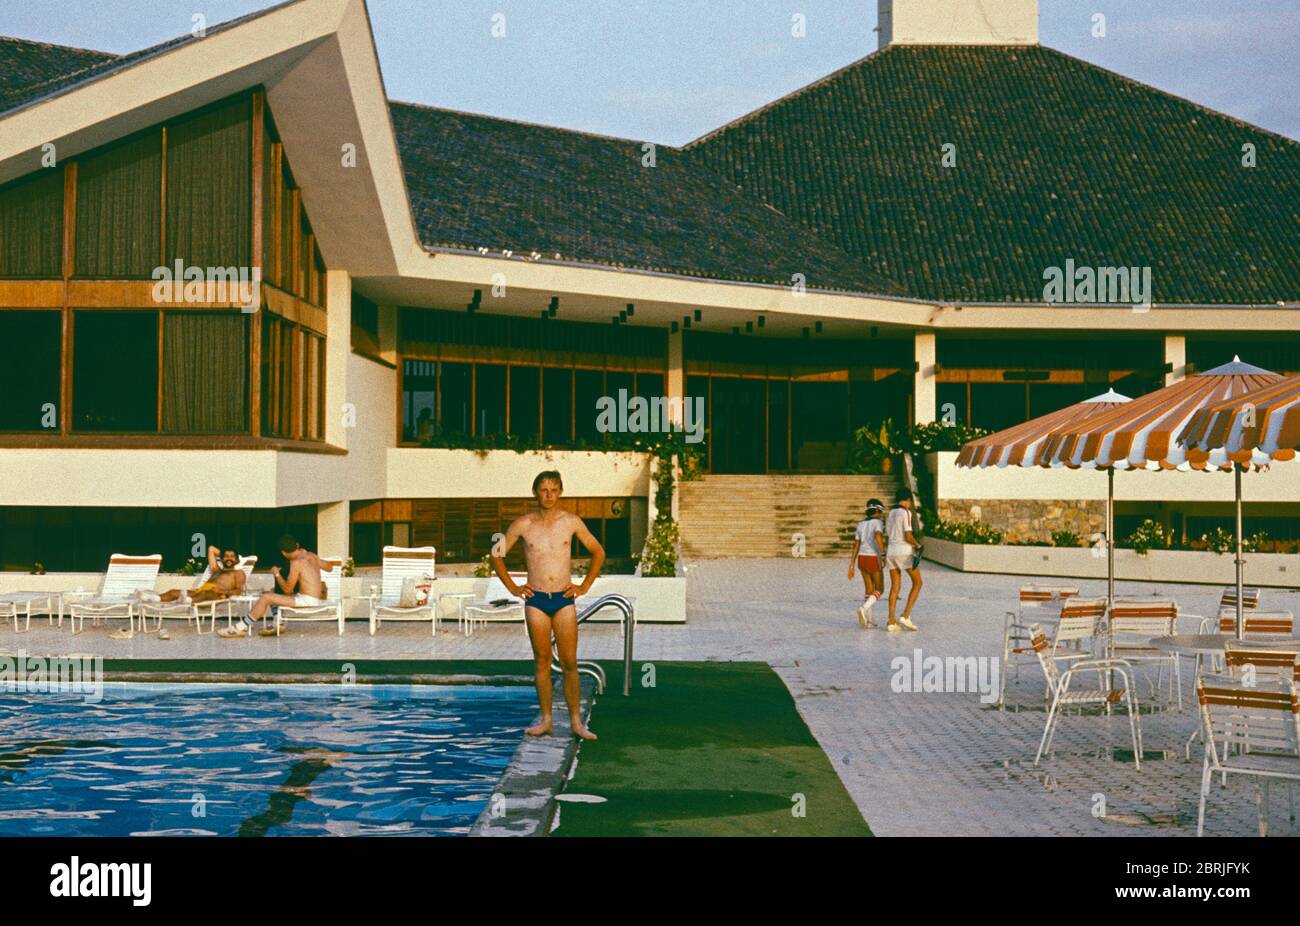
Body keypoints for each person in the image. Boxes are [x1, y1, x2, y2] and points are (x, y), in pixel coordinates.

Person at [492, 470, 605, 741]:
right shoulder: (523, 524)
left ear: (561, 492)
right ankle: (546, 721)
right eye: (543, 490)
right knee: (542, 661)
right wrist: (513, 587)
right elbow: (496, 555)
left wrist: (584, 586)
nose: (549, 495)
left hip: (564, 599)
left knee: (569, 662)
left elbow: (598, 552)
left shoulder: (571, 522)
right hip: (537, 600)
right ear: (535, 492)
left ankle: (576, 723)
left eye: (554, 490)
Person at [219, 534, 332, 638]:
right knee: (272, 591)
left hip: (307, 600)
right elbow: (329, 567)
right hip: (315, 597)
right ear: (297, 545)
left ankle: (240, 628)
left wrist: (277, 573)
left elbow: (287, 590)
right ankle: (278, 623)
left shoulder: (296, 563)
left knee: (266, 597)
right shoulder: (311, 555)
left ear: (283, 552)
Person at [884, 491, 923, 632]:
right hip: (903, 552)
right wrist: (917, 545)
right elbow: (907, 535)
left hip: (891, 551)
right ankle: (905, 615)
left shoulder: (891, 513)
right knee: (918, 583)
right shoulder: (906, 512)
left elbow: (888, 533)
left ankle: (891, 622)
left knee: (895, 587)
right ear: (907, 500)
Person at [159, 545, 246, 604]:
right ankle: (153, 599)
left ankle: (186, 601)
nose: (229, 558)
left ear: (237, 560)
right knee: (174, 592)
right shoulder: (216, 570)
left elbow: (238, 591)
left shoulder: (238, 573)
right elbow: (211, 549)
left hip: (217, 595)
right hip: (199, 591)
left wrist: (222, 591)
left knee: (204, 593)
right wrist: (224, 556)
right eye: (226, 556)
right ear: (222, 559)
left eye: (232, 556)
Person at [847, 499, 885, 628]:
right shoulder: (878, 523)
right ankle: (863, 608)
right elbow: (878, 537)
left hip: (861, 558)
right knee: (880, 589)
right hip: (873, 557)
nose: (881, 514)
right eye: (880, 511)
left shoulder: (860, 524)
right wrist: (883, 554)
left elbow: (856, 545)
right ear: (876, 510)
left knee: (869, 590)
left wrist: (851, 565)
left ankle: (869, 620)